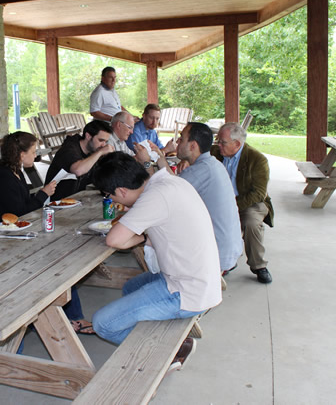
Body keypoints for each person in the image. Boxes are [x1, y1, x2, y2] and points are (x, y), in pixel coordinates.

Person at [90, 152, 221, 353]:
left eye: (110, 195)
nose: (111, 199)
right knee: (131, 287)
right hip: (200, 280)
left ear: (122, 191)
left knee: (102, 324)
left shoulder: (155, 197)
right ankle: (148, 332)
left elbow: (114, 240)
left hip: (187, 291)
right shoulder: (168, 181)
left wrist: (140, 234)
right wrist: (144, 235)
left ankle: (170, 351)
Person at [175, 122, 243, 275]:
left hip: (215, 255)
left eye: (181, 138)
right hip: (230, 248)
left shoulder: (201, 170)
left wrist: (148, 163)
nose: (178, 142)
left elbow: (165, 195)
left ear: (193, 146)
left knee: (161, 234)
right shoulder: (213, 164)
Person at [212, 122, 274, 284]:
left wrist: (233, 206)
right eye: (218, 141)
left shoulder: (257, 160)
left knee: (251, 222)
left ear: (237, 144)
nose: (218, 145)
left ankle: (258, 265)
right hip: (221, 201)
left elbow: (259, 193)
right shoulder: (215, 153)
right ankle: (224, 261)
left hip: (249, 202)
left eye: (222, 142)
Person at [0, 131, 57, 222]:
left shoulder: (16, 171)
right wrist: (43, 194)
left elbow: (24, 201)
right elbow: (20, 212)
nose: (35, 155)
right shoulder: (4, 177)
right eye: (33, 152)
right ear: (22, 155)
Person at [44, 120, 114, 201]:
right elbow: (78, 170)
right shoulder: (69, 149)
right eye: (101, 140)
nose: (103, 145)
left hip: (76, 200)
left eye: (106, 141)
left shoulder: (93, 150)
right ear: (88, 136)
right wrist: (100, 152)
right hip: (56, 203)